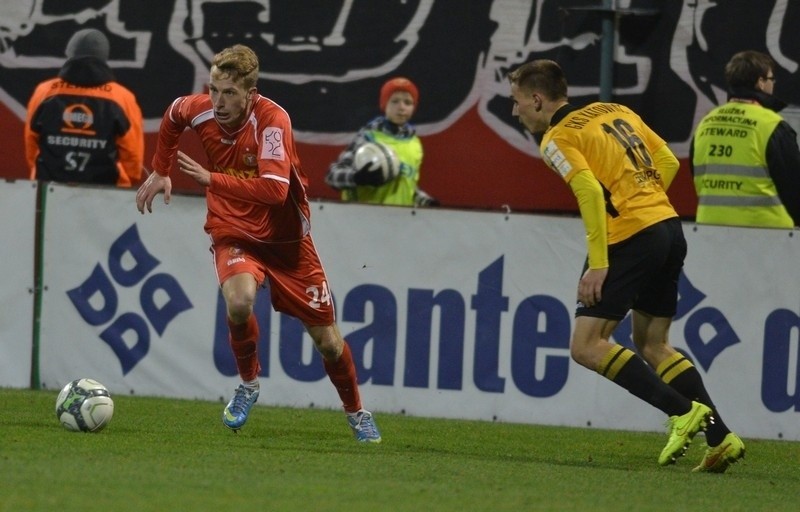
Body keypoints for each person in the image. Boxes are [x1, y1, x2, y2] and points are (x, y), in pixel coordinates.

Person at [135, 44, 381, 443]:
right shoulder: (199, 107)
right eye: (214, 89)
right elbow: (173, 114)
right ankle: (249, 385)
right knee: (239, 301)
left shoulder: (271, 121)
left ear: (251, 93)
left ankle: (356, 411)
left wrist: (210, 180)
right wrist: (161, 170)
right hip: (232, 227)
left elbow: (272, 190)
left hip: (286, 241)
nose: (218, 101)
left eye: (229, 92)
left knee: (329, 344)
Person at [508, 59, 744, 473]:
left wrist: (598, 264)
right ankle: (721, 436)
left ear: (538, 99)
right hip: (667, 227)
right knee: (653, 344)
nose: (515, 111)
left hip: (631, 237)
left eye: (517, 102)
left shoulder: (557, 138)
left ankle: (680, 410)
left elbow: (589, 194)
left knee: (586, 346)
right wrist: (644, 204)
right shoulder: (614, 110)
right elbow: (667, 161)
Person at [691, 50, 800, 228]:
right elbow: (793, 186)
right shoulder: (771, 125)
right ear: (761, 82)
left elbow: (695, 175)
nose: (773, 85)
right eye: (771, 79)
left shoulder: (706, 123)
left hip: (710, 228)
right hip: (767, 231)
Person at [24, 28, 144, 187]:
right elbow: (133, 156)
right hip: (106, 195)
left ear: (70, 54)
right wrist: (123, 185)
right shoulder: (122, 97)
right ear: (104, 57)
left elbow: (31, 143)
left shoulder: (45, 92)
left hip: (49, 190)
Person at [325, 77, 439, 207]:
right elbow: (332, 176)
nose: (401, 107)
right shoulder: (368, 137)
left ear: (414, 108)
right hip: (364, 218)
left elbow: (407, 185)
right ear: (384, 105)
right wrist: (358, 178)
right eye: (395, 101)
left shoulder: (415, 144)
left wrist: (425, 201)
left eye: (408, 103)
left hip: (400, 220)